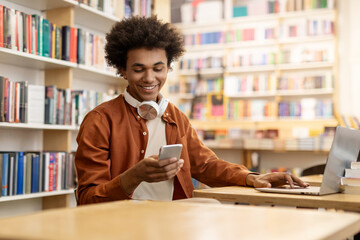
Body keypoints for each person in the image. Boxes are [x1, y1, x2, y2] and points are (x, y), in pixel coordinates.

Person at [75, 15, 309, 205]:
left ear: (168, 68)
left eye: (158, 68)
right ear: (122, 70)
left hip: (173, 219)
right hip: (120, 223)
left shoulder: (175, 117)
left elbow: (206, 166)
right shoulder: (99, 120)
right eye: (138, 69)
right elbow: (88, 199)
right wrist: (133, 176)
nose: (149, 78)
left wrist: (252, 178)